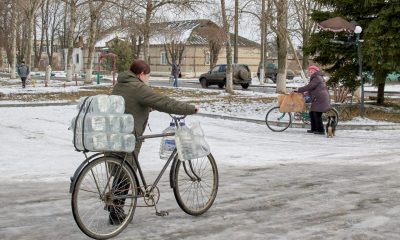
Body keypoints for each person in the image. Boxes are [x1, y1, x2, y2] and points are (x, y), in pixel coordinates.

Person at [110, 59, 198, 224]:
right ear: (141, 74)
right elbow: (164, 102)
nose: (148, 79)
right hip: (129, 133)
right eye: (148, 76)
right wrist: (189, 109)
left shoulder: (121, 84)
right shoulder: (139, 87)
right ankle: (116, 212)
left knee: (121, 169)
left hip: (114, 131)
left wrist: (146, 107)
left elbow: (129, 103)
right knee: (126, 172)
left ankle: (114, 205)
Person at [296, 65, 331, 135]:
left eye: (311, 70)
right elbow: (311, 89)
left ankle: (321, 130)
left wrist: (299, 90)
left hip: (321, 98)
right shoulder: (316, 77)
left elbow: (310, 86)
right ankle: (314, 129)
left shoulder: (317, 78)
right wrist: (304, 93)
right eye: (309, 71)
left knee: (317, 114)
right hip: (318, 98)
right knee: (312, 113)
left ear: (315, 71)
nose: (310, 72)